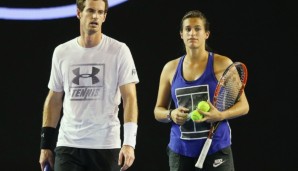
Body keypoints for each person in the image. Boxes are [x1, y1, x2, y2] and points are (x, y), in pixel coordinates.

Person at [38, 0, 139, 170]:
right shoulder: (61, 52)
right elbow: (54, 99)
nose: (95, 16)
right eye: (91, 11)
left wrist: (129, 143)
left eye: (100, 12)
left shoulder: (120, 51)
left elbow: (130, 98)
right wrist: (45, 145)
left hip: (106, 146)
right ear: (79, 13)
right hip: (68, 145)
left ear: (105, 17)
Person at [154, 10, 249, 171]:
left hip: (216, 148)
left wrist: (221, 115)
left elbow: (244, 106)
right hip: (180, 152)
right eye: (188, 29)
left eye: (197, 29)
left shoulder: (223, 64)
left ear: (206, 34)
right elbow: (158, 111)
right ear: (181, 34)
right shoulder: (170, 69)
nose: (192, 33)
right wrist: (171, 114)